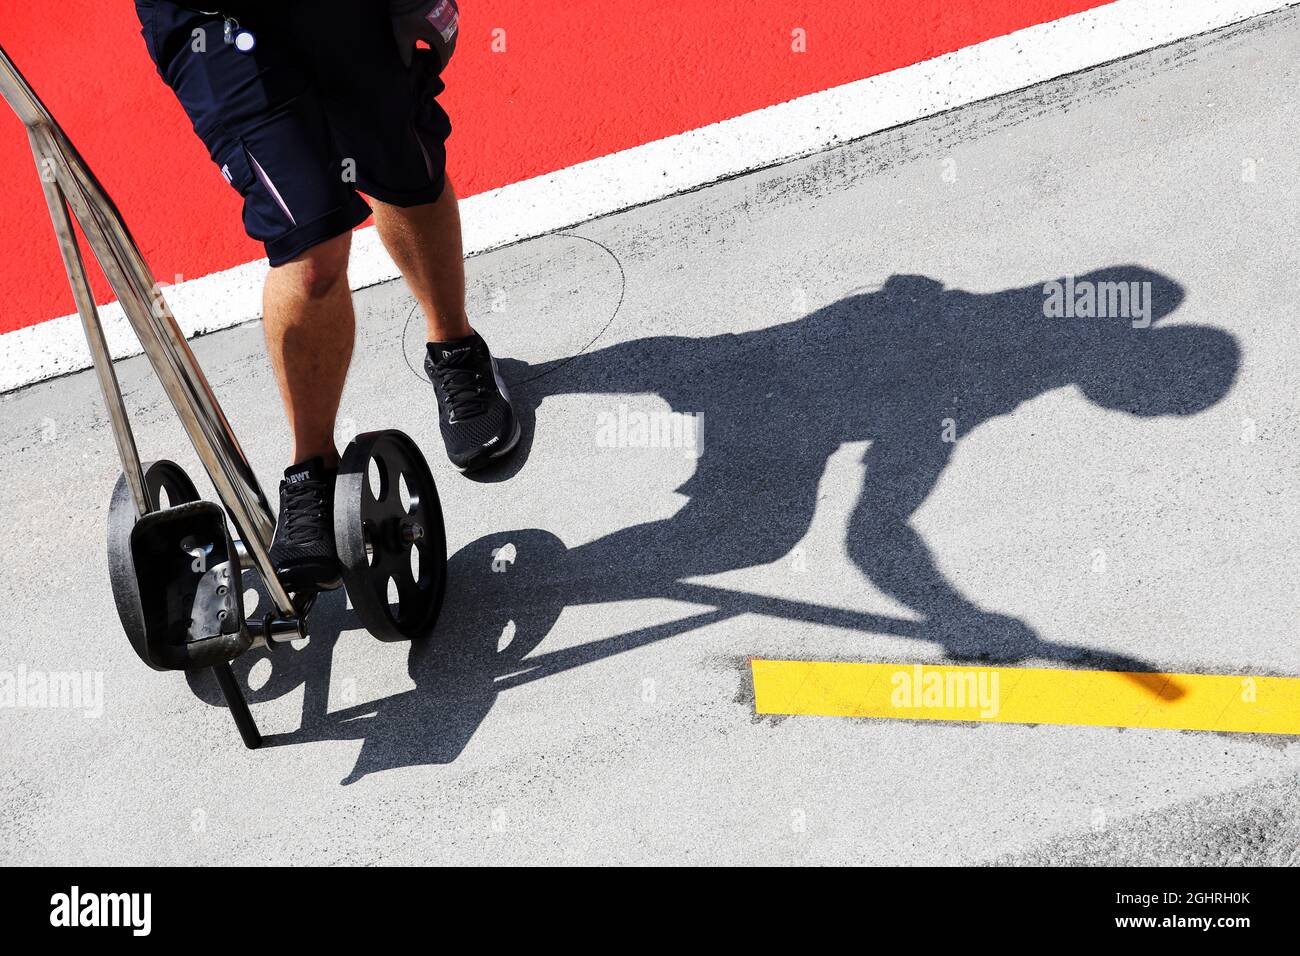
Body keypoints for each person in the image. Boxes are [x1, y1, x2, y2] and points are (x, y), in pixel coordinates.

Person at [133, 0, 518, 591]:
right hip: (211, 21)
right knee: (307, 244)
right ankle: (311, 469)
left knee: (398, 162)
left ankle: (454, 347)